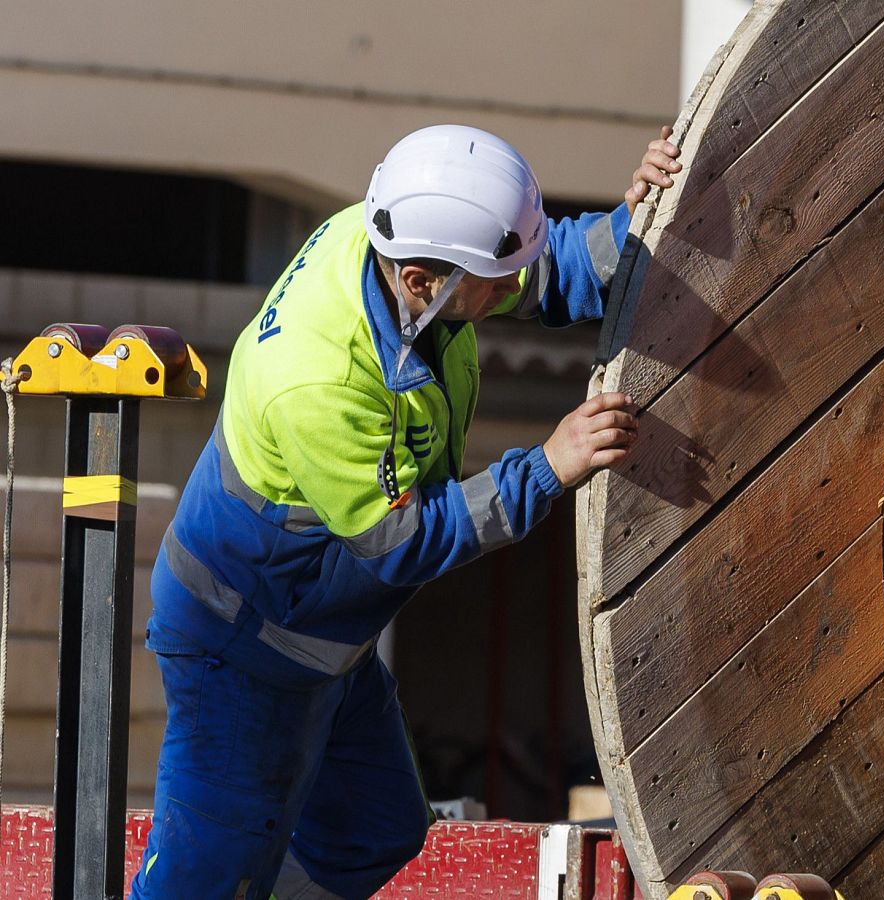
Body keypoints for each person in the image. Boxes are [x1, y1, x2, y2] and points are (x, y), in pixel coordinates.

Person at [129, 122, 682, 899]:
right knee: (208, 882)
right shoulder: (319, 377)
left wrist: (635, 228)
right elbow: (400, 542)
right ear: (423, 279)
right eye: (493, 280)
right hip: (241, 645)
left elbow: (542, 268)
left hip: (321, 638)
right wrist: (548, 467)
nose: (509, 292)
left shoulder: (403, 245)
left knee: (373, 832)